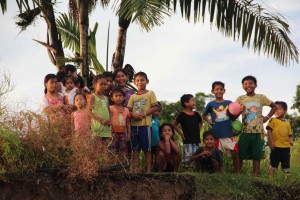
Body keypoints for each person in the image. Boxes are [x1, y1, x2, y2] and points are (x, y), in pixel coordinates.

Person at [236, 75, 277, 176]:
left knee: (257, 154)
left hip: (259, 131)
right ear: (242, 86)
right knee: (240, 153)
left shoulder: (261, 97)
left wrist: (267, 117)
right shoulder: (240, 99)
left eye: (251, 83)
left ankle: (255, 175)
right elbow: (234, 113)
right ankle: (237, 174)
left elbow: (274, 106)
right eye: (245, 84)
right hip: (245, 131)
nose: (248, 85)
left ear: (255, 85)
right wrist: (239, 111)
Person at [202, 81, 240, 174]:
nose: (219, 91)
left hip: (228, 134)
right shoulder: (211, 104)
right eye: (216, 89)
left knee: (235, 153)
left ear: (224, 91)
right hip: (216, 135)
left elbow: (233, 117)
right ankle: (218, 172)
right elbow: (203, 115)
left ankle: (238, 173)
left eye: (221, 89)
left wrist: (239, 112)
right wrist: (209, 121)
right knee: (216, 155)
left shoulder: (229, 103)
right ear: (213, 91)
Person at [127, 72, 158, 173]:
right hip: (134, 126)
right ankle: (136, 170)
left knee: (147, 149)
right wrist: (133, 115)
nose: (140, 82)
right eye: (138, 80)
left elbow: (155, 107)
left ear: (147, 81)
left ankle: (148, 171)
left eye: (142, 80)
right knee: (135, 149)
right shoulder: (132, 96)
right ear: (134, 82)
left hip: (145, 125)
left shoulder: (150, 93)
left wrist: (144, 114)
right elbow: (129, 110)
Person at [173, 94, 202, 169]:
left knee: (198, 157)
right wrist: (182, 134)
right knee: (188, 160)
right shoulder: (182, 115)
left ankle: (197, 171)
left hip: (197, 141)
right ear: (186, 103)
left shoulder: (196, 114)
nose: (194, 102)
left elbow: (200, 123)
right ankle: (187, 172)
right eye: (192, 100)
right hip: (187, 141)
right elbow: (174, 125)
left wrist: (198, 130)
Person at [266, 101, 293, 177]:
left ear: (285, 111)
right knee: (273, 163)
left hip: (286, 147)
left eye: (279, 109)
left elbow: (290, 134)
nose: (276, 111)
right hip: (276, 146)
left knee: (286, 164)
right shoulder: (273, 120)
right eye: (275, 109)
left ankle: (288, 180)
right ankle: (270, 179)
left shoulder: (287, 123)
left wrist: (291, 140)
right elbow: (269, 131)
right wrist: (271, 141)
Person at [88, 74, 111, 146]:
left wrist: (110, 121)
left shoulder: (106, 98)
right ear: (94, 85)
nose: (103, 86)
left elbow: (108, 111)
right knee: (97, 150)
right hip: (97, 128)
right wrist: (101, 120)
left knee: (105, 151)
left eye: (105, 84)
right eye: (101, 84)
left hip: (106, 128)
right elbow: (88, 111)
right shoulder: (92, 96)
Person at [110, 87, 131, 161]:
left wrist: (128, 134)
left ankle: (123, 169)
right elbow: (109, 120)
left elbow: (128, 123)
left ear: (124, 97)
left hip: (123, 134)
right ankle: (113, 168)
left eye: (120, 95)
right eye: (116, 96)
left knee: (123, 151)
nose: (118, 97)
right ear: (112, 98)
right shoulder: (111, 108)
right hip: (113, 133)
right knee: (113, 151)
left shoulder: (126, 110)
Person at [151, 101, 162, 170]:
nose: (157, 113)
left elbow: (159, 130)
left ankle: (157, 169)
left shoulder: (157, 121)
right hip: (150, 142)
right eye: (156, 111)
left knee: (158, 156)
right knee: (150, 156)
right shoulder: (148, 119)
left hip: (157, 142)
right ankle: (149, 168)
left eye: (159, 111)